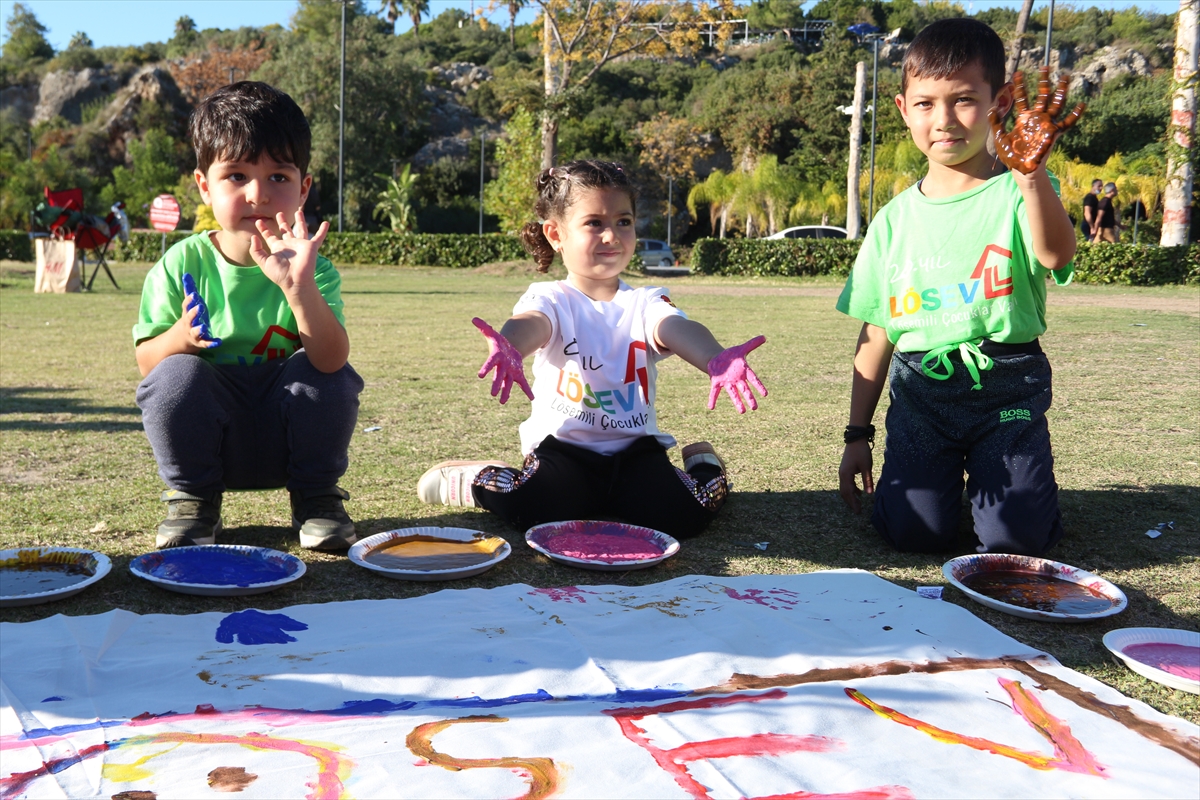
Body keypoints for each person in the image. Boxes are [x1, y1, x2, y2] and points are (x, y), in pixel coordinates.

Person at [415, 160, 767, 539]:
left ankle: (704, 464)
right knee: (537, 511)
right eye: (594, 222)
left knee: (686, 516)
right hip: (564, 450)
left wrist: (715, 358)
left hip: (636, 451)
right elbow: (533, 323)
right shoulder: (552, 298)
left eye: (623, 221)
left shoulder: (646, 302)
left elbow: (675, 328)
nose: (612, 235)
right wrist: (510, 345)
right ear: (555, 234)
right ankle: (474, 481)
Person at [836, 19, 1084, 555]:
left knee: (1015, 542)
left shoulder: (1021, 187)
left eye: (965, 99)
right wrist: (858, 434)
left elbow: (1055, 255)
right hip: (922, 395)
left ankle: (1023, 496)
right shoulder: (893, 221)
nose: (944, 120)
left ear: (998, 104)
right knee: (912, 532)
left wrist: (1030, 175)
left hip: (1008, 388)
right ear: (904, 109)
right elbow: (877, 332)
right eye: (926, 103)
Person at [133, 82, 363, 550]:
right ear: (204, 184)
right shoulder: (180, 265)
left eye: (279, 177)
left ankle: (317, 499)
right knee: (176, 374)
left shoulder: (313, 267)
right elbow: (147, 367)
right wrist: (179, 337)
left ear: (303, 189)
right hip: (214, 445)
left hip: (291, 441)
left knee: (326, 373)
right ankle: (194, 503)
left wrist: (299, 290)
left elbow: (333, 361)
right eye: (236, 176)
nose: (258, 194)